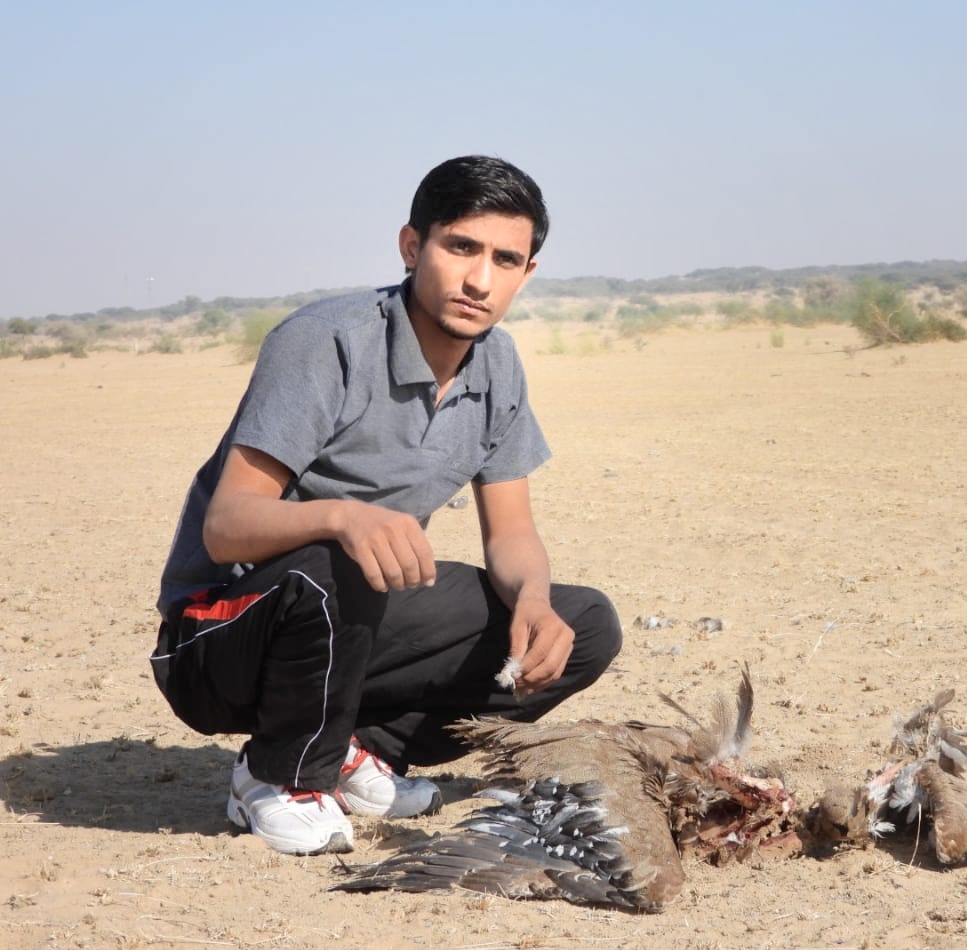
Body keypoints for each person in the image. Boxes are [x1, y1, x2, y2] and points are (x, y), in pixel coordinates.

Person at [150, 155, 622, 856]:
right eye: (460, 247)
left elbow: (511, 533)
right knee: (343, 555)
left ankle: (356, 750)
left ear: (526, 274)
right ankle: (277, 775)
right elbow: (226, 528)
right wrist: (343, 515)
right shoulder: (327, 341)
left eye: (505, 259)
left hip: (352, 620)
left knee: (582, 624)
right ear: (412, 246)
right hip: (219, 636)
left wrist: (532, 600)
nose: (479, 279)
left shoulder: (498, 366)